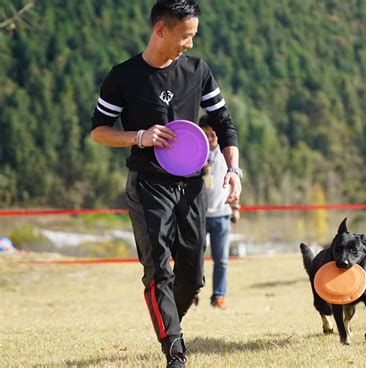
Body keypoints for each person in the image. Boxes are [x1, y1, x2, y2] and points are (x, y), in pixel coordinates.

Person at [90, 1, 242, 366]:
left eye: (193, 36)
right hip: (148, 184)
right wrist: (139, 136)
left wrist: (234, 170)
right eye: (185, 36)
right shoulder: (123, 76)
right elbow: (99, 132)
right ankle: (174, 350)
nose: (189, 44)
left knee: (192, 275)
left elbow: (223, 121)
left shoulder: (197, 70)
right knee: (159, 266)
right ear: (161, 29)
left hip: (191, 184)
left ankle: (168, 320)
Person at [199, 115, 241, 310]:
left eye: (212, 134)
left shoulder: (227, 155)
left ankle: (219, 296)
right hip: (199, 215)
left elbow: (235, 183)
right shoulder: (196, 153)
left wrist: (236, 208)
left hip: (222, 214)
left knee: (221, 260)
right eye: (205, 134)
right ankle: (192, 294)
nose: (209, 138)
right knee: (194, 258)